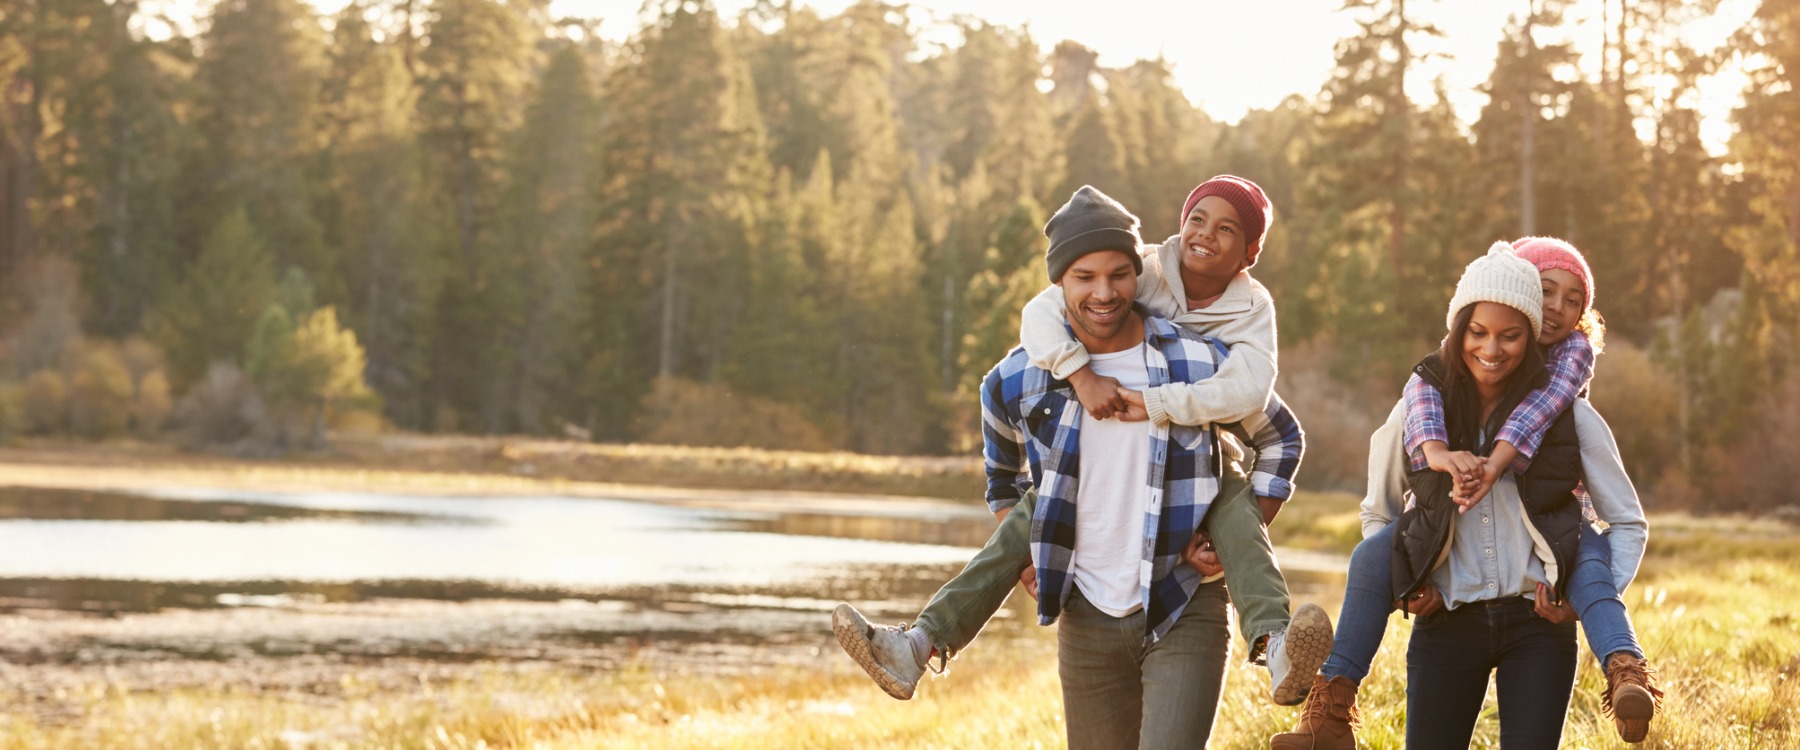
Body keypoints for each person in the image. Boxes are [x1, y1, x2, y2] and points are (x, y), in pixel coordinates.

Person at [834, 185, 1315, 747]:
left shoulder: (1197, 358)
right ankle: (918, 645)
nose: (1104, 293)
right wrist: (1027, 561)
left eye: (1119, 274)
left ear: (1141, 276)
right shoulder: (1017, 378)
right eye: (1083, 277)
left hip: (1183, 601)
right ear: (1058, 283)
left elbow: (1281, 436)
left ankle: (1274, 643)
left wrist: (1228, 538)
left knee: (1227, 489)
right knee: (1038, 504)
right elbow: (1003, 481)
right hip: (1086, 613)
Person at [1271, 242, 1650, 749]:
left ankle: (1625, 666)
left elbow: (1627, 522)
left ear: (1531, 333)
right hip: (1447, 622)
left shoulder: (1570, 416)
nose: (1492, 349)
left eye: (1511, 336)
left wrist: (1581, 604)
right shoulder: (1417, 412)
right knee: (1368, 558)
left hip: (1537, 625)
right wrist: (1409, 585)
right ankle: (1331, 712)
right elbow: (1379, 514)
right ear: (1460, 330)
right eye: (1478, 333)